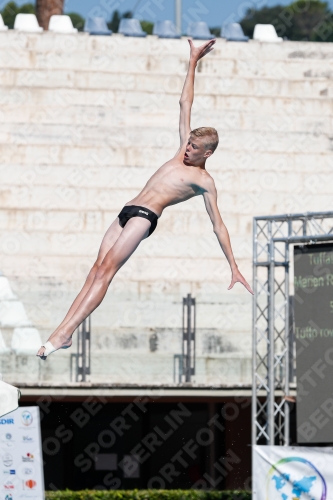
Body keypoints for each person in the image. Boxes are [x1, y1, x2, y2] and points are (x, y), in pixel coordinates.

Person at [37, 39, 253, 360]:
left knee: (107, 271)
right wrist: (193, 61)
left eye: (194, 148)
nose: (188, 149)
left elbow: (218, 226)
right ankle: (62, 333)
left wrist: (233, 266)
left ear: (207, 153)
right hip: (127, 210)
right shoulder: (182, 151)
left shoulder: (204, 182)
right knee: (95, 269)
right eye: (188, 143)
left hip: (145, 217)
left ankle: (64, 333)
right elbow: (185, 103)